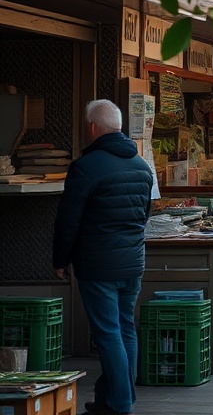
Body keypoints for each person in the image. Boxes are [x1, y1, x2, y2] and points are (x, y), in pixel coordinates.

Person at [52, 99, 153, 415]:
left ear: (92, 127)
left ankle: (120, 404)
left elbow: (68, 220)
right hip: (133, 261)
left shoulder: (86, 167)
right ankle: (114, 398)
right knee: (125, 328)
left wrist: (60, 259)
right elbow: (144, 215)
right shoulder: (142, 167)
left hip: (98, 263)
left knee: (108, 333)